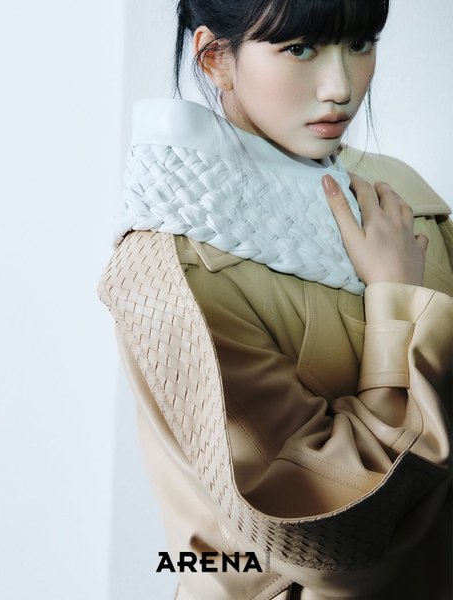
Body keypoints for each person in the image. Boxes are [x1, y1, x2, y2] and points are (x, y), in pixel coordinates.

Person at [98, 1, 453, 598]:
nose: (341, 87)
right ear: (215, 58)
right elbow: (330, 535)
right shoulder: (169, 273)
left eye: (360, 43)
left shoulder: (399, 201)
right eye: (299, 48)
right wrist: (399, 300)